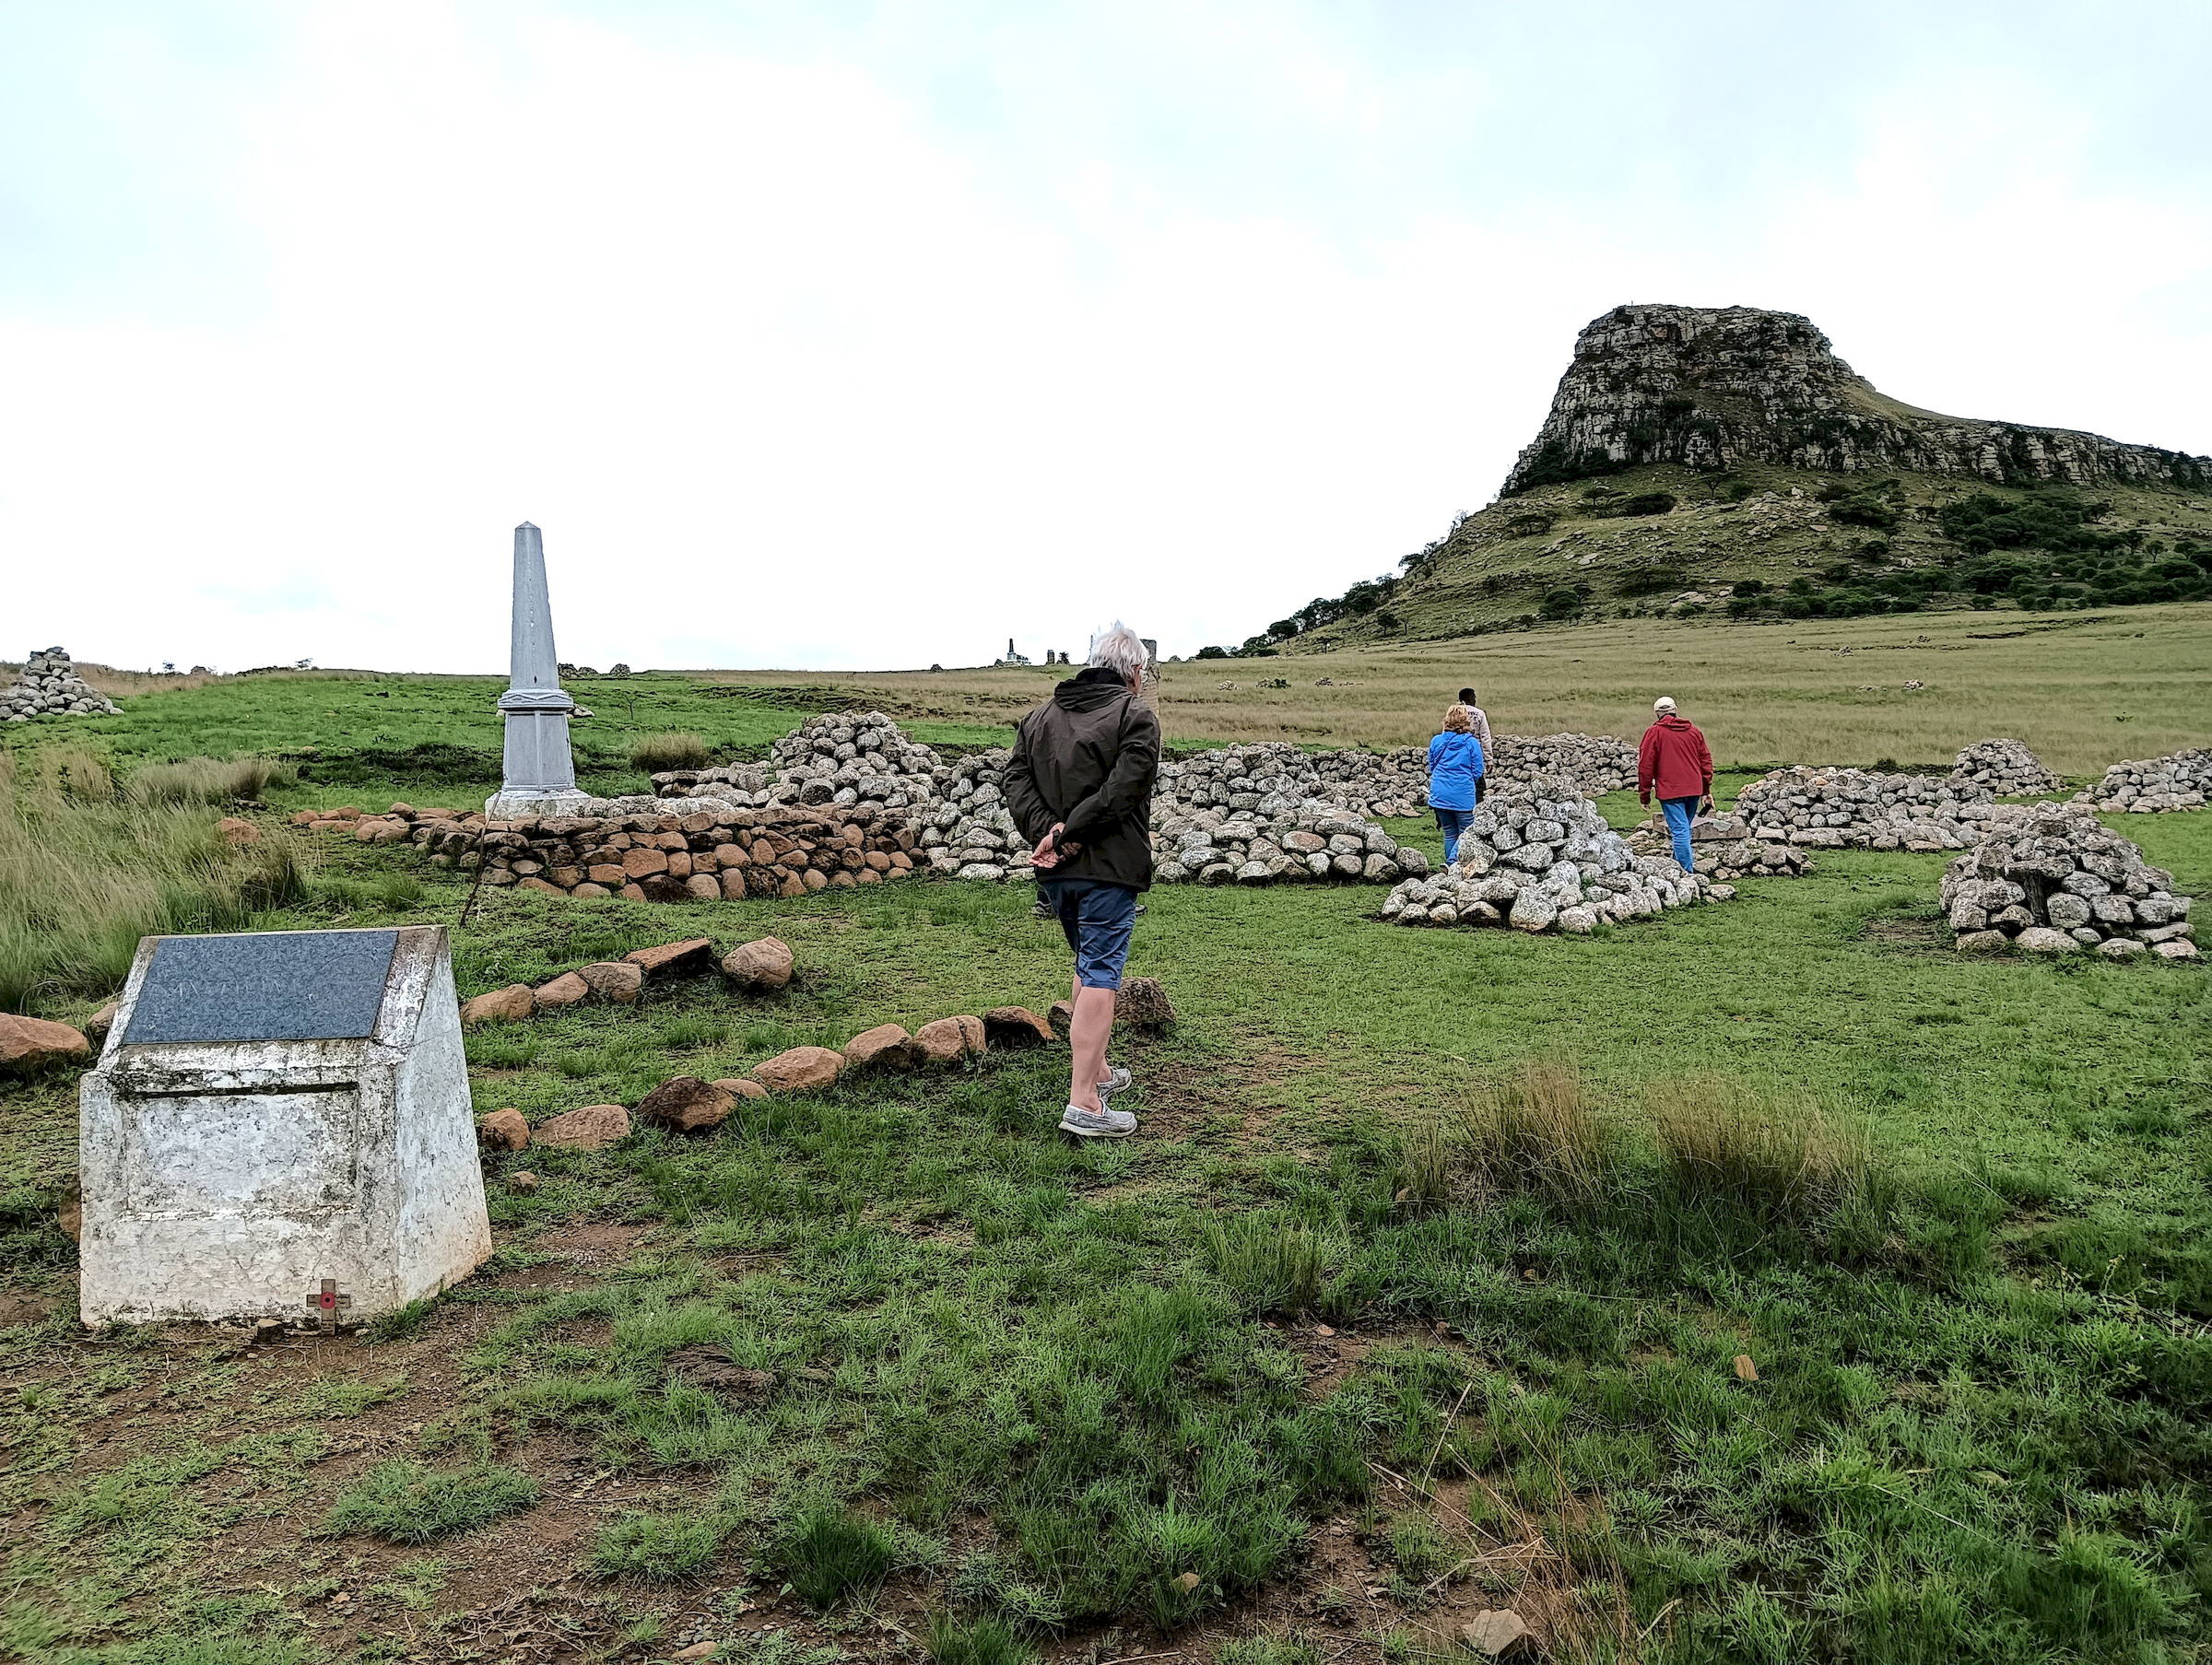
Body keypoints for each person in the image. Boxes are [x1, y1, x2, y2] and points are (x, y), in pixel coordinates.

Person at [1004, 623, 1161, 1139]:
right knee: (1101, 974)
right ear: (1134, 670)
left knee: (1086, 962)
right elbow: (1125, 790)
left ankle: (1097, 1072)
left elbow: (1015, 780)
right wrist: (1068, 833)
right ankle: (1085, 1103)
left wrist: (1047, 834)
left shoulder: (1038, 718)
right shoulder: (1134, 715)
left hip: (1056, 874)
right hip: (1108, 868)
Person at [1638, 696, 1714, 874]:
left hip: (1670, 790)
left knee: (1680, 831)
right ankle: (1677, 868)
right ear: (1675, 710)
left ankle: (1686, 874)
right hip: (1694, 789)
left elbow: (1645, 765)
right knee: (1683, 829)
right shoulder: (1694, 731)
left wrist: (1645, 794)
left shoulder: (1654, 732)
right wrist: (1706, 790)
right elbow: (1706, 761)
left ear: (1657, 713)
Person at [1427, 704, 1486, 866]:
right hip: (1463, 795)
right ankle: (1452, 862)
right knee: (1466, 831)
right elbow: (1478, 771)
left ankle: (1449, 865)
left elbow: (1432, 766)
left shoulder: (1436, 741)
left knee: (1449, 832)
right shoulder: (1471, 743)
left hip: (1439, 794)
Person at [1455, 687, 1494, 802]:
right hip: (1475, 754)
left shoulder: (1455, 713)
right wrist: (1489, 759)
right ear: (1470, 698)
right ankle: (1477, 808)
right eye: (1474, 697)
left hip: (1458, 752)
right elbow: (1485, 737)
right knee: (1478, 784)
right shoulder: (1479, 713)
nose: (1475, 699)